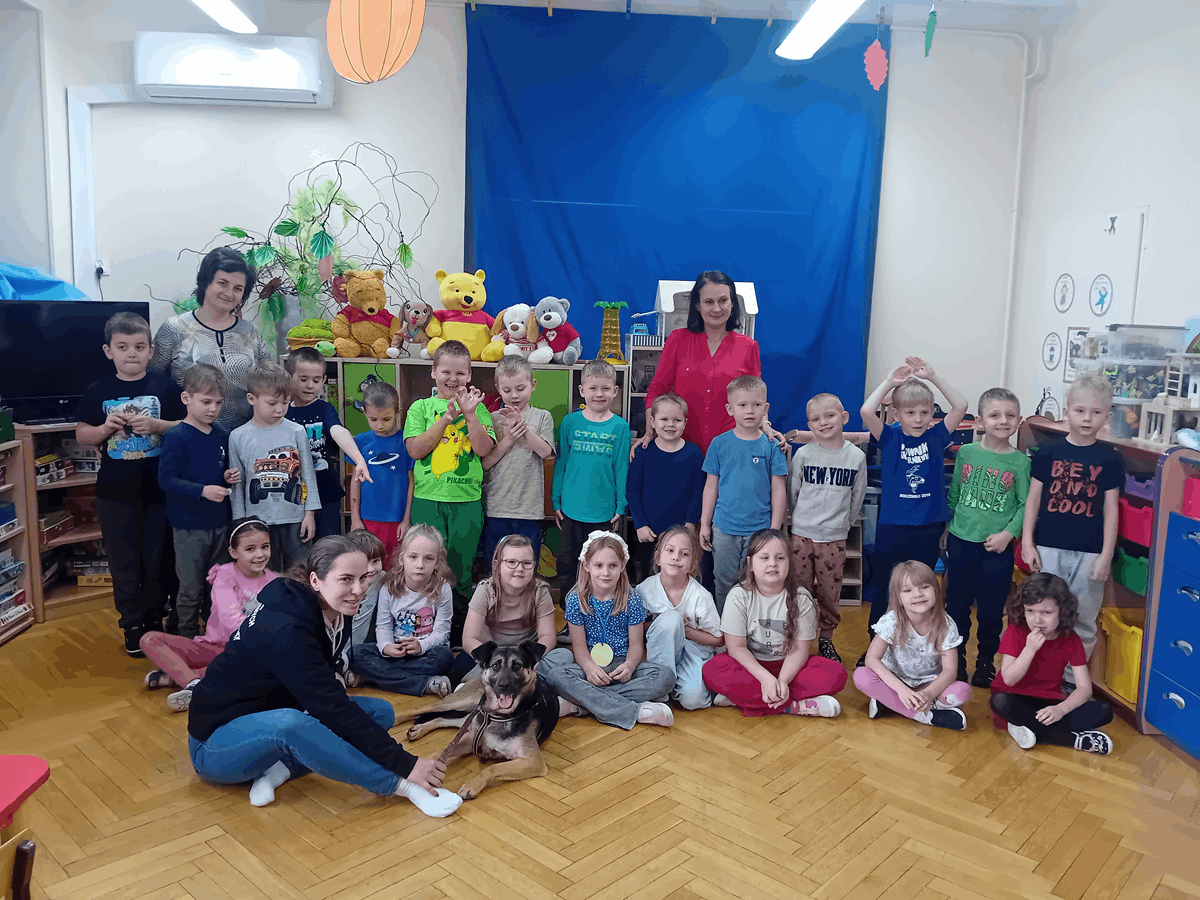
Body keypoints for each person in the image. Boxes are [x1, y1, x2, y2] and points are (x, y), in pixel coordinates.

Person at [187, 535, 462, 816]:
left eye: (363, 578)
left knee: (379, 712)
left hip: (271, 715)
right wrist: (405, 766)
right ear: (315, 580)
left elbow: (329, 698)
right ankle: (402, 787)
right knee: (292, 724)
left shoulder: (334, 607)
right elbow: (330, 707)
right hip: (214, 747)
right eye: (346, 579)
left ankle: (277, 771)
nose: (359, 589)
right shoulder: (287, 630)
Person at [76, 312, 185, 656]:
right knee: (124, 563)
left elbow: (186, 426)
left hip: (159, 492)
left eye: (139, 347)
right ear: (109, 351)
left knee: (158, 560)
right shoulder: (98, 391)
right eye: (123, 347)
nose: (131, 354)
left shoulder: (165, 388)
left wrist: (157, 426)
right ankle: (133, 626)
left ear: (150, 351)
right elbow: (82, 434)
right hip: (114, 495)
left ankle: (155, 620)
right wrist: (105, 428)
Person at [858, 356, 968, 666]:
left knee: (921, 591)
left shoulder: (936, 436)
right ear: (896, 414)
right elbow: (866, 411)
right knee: (887, 589)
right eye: (910, 413)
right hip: (893, 527)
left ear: (932, 413)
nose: (918, 419)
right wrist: (889, 382)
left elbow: (960, 405)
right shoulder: (890, 437)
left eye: (924, 412)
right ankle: (875, 649)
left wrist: (933, 377)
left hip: (928, 528)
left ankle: (917, 649)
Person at [1022, 374, 1122, 685]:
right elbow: (1033, 500)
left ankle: (1070, 681)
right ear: (1067, 412)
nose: (1087, 418)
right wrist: (1027, 542)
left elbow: (1111, 509)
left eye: (1096, 412)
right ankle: (1036, 675)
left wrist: (1106, 555)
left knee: (1083, 618)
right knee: (1042, 614)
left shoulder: (1110, 458)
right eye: (1080, 410)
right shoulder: (1047, 452)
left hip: (1090, 553)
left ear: (1106, 416)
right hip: (1048, 547)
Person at [702, 529, 847, 717]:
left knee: (836, 673)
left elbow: (799, 650)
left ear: (789, 563)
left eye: (780, 558)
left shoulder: (802, 598)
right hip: (750, 667)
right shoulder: (738, 595)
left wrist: (783, 681)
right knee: (712, 670)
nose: (772, 563)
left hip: (789, 668)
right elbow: (736, 648)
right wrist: (765, 679)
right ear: (750, 564)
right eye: (764, 558)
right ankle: (794, 706)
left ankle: (745, 700)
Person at [538, 532, 675, 729]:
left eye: (612, 566)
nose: (606, 572)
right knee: (555, 677)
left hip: (622, 667)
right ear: (586, 565)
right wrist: (589, 668)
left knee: (666, 677)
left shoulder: (632, 599)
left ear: (622, 565)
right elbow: (579, 647)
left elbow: (636, 646)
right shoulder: (576, 600)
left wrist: (629, 666)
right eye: (599, 565)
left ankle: (581, 704)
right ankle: (634, 711)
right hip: (591, 668)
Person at [141, 518, 277, 711]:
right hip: (213, 647)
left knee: (260, 664)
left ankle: (178, 677)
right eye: (250, 549)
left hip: (246, 653)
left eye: (265, 547)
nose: (260, 554)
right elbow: (230, 617)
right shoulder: (224, 574)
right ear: (233, 552)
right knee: (149, 639)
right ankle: (194, 684)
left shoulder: (276, 581)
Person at [641, 271, 782, 454]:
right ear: (697, 305)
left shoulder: (748, 346)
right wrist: (650, 430)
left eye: (723, 300)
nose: (717, 308)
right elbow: (656, 389)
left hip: (732, 449)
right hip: (681, 446)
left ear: (732, 302)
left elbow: (756, 397)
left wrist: (765, 425)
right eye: (709, 302)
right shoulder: (677, 340)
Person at [945, 388, 1031, 687]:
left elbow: (1025, 505)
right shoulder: (967, 453)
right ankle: (956, 661)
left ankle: (985, 662)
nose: (1003, 421)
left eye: (1010, 415)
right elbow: (956, 492)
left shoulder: (1021, 463)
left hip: (997, 549)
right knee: (956, 607)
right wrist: (948, 526)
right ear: (980, 421)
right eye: (995, 415)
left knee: (992, 611)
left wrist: (1008, 534)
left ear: (1019, 421)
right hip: (960, 542)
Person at [403, 340, 495, 594]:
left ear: (469, 375)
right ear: (434, 372)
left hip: (466, 501)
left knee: (461, 570)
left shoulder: (479, 409)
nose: (453, 379)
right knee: (425, 567)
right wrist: (445, 419)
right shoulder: (420, 408)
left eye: (460, 373)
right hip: (427, 499)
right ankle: (425, 614)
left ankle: (460, 617)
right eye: (446, 372)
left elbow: (483, 449)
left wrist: (470, 415)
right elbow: (415, 450)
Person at [157, 363, 241, 639]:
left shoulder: (221, 434)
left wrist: (227, 476)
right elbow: (166, 480)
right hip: (189, 528)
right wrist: (202, 491)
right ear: (186, 398)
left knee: (218, 585)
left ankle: (214, 634)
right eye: (206, 402)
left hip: (220, 524)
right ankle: (186, 636)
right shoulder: (176, 436)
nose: (213, 409)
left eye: (218, 402)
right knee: (191, 588)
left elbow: (219, 472)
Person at [989, 573, 1114, 754]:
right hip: (1013, 697)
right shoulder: (1016, 631)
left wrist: (1061, 710)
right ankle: (1071, 739)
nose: (1037, 620)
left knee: (1104, 711)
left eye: (1046, 613)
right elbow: (1009, 679)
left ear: (1062, 613)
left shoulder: (1071, 639)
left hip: (1049, 701)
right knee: (1000, 702)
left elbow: (1084, 689)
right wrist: (1030, 649)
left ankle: (1027, 729)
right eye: (1030, 611)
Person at [151, 246, 271, 432]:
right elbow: (152, 383)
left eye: (238, 288)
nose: (229, 293)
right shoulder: (173, 328)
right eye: (222, 283)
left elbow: (269, 384)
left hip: (244, 438)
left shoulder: (251, 332)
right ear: (206, 281)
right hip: (188, 437)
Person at [787, 392, 867, 663]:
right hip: (801, 535)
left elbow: (857, 497)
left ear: (844, 417)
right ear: (809, 425)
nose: (823, 422)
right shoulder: (803, 455)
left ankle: (826, 639)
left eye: (830, 415)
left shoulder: (855, 457)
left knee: (830, 592)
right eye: (816, 419)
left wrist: (842, 525)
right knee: (799, 590)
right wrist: (798, 521)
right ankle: (798, 638)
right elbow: (793, 492)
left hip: (834, 538)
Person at [699, 375, 788, 613]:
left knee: (756, 583)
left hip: (759, 531)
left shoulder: (772, 445)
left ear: (765, 409)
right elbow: (711, 486)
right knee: (724, 582)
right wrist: (705, 524)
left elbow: (779, 489)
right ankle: (725, 630)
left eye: (756, 405)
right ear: (730, 409)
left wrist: (774, 530)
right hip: (724, 529)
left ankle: (751, 629)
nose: (750, 410)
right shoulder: (719, 444)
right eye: (742, 405)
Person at [852, 560, 970, 729]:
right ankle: (925, 715)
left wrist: (928, 694)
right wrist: (901, 690)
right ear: (898, 598)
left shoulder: (946, 624)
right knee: (861, 676)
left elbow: (950, 670)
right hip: (894, 681)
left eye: (925, 587)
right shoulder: (891, 621)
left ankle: (890, 703)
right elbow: (871, 658)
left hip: (928, 683)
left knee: (962, 692)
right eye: (908, 590)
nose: (918, 594)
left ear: (936, 590)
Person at [551, 359, 631, 600]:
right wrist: (556, 500)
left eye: (605, 388)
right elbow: (561, 463)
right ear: (582, 390)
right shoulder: (570, 422)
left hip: (604, 511)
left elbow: (621, 468)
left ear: (615, 391)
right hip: (571, 509)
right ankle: (568, 613)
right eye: (593, 388)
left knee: (601, 566)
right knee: (568, 564)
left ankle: (596, 611)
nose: (599, 394)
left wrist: (620, 505)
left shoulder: (620, 427)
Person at [229, 363, 320, 571]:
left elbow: (307, 475)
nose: (279, 409)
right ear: (252, 399)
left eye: (285, 402)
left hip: (296, 519)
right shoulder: (238, 436)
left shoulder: (296, 431)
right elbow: (238, 486)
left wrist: (310, 514)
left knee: (300, 572)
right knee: (264, 574)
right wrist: (240, 524)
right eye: (272, 403)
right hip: (258, 523)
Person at [351, 525, 455, 697]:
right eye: (413, 557)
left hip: (426, 651)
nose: (420, 565)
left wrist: (421, 646)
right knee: (356, 654)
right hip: (396, 650)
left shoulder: (443, 589)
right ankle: (425, 683)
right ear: (402, 559)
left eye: (428, 559)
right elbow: (383, 626)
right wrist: (386, 646)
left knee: (445, 657)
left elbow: (442, 632)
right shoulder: (388, 587)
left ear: (437, 563)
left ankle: (375, 677)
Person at [286, 347, 371, 539]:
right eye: (303, 379)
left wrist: (359, 460)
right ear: (289, 377)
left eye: (316, 380)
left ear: (324, 380)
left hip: (325, 493)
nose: (310, 385)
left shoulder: (324, 408)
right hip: (293, 495)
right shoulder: (283, 412)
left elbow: (338, 430)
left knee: (328, 546)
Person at [453, 534, 557, 684]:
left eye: (527, 563)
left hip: (524, 656)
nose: (520, 569)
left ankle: (511, 679)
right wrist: (494, 661)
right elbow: (469, 639)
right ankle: (520, 680)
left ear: (534, 565)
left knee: (563, 655)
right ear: (497, 565)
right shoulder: (486, 590)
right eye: (511, 562)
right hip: (493, 656)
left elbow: (548, 636)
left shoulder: (540, 591)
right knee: (462, 662)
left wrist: (529, 659)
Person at [481, 355, 555, 564]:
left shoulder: (542, 417)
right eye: (507, 390)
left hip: (529, 509)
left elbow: (545, 452)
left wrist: (521, 428)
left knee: (526, 564)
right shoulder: (491, 418)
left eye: (520, 389)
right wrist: (509, 439)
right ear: (498, 388)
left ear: (533, 385)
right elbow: (485, 463)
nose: (514, 395)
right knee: (495, 564)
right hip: (496, 506)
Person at [639, 526, 723, 710]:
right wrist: (667, 623)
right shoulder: (644, 590)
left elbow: (718, 639)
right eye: (670, 551)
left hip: (692, 651)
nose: (676, 557)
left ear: (692, 565)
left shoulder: (701, 596)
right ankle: (659, 686)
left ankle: (680, 683)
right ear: (658, 558)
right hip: (659, 651)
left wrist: (686, 631)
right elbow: (635, 628)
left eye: (684, 554)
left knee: (694, 701)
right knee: (671, 619)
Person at [627, 393, 704, 582]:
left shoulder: (694, 454)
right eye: (664, 419)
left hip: (681, 532)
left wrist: (691, 523)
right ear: (652, 422)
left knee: (679, 576)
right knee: (649, 579)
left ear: (685, 423)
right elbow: (633, 490)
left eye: (677, 420)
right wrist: (640, 524)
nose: (670, 424)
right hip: (649, 532)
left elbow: (697, 491)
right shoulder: (643, 453)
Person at [351, 381, 415, 564]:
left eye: (386, 419)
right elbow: (355, 481)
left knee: (395, 566)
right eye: (373, 419)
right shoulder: (361, 441)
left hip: (397, 519)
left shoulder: (406, 441)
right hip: (367, 518)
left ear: (397, 412)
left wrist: (406, 519)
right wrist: (355, 519)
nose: (379, 425)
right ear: (364, 412)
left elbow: (411, 482)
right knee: (368, 564)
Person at [345, 529, 387, 646]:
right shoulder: (342, 584)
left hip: (360, 648)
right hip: (336, 648)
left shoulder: (382, 578)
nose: (371, 569)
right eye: (364, 562)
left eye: (376, 561)